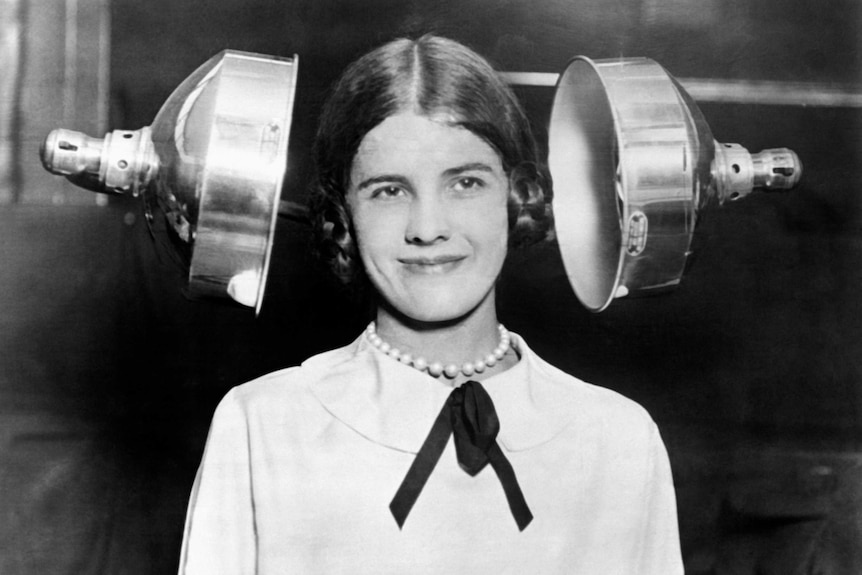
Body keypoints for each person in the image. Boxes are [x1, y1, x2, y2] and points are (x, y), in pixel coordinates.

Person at [178, 34, 683, 574]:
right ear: (343, 218)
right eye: (389, 191)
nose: (428, 229)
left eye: (465, 183)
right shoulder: (262, 427)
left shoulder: (618, 439)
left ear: (516, 199)